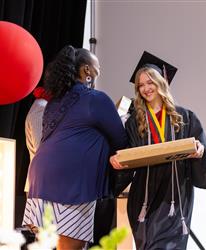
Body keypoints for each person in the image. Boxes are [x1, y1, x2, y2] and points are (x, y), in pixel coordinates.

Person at [22, 45, 128, 250]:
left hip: (40, 180)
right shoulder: (97, 99)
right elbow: (120, 140)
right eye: (97, 66)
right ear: (87, 70)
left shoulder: (55, 101)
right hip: (72, 183)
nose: (99, 70)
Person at [110, 51, 206, 250]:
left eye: (150, 82)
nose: (146, 89)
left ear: (161, 83)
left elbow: (200, 145)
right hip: (145, 195)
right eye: (141, 85)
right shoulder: (135, 121)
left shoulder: (184, 116)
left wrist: (199, 150)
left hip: (174, 193)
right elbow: (129, 154)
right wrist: (119, 161)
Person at [24, 86, 52, 193]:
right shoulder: (42, 107)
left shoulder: (44, 106)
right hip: (41, 186)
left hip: (43, 185)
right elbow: (41, 150)